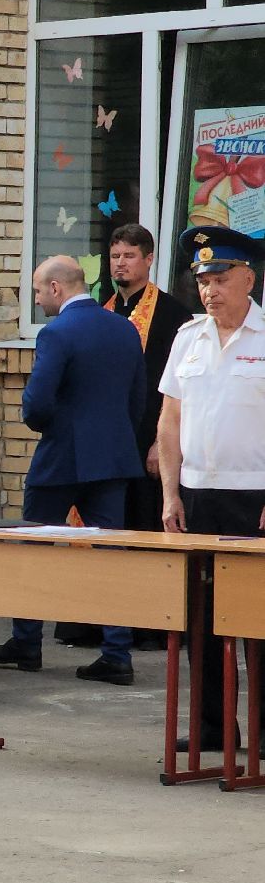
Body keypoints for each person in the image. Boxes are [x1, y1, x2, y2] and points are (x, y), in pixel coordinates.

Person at [0, 255, 145, 686]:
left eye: (37, 291)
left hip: (61, 458)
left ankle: (26, 643)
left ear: (56, 289)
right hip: (112, 459)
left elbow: (37, 403)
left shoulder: (56, 333)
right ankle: (117, 653)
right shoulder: (124, 327)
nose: (36, 300)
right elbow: (137, 398)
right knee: (111, 556)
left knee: (33, 547)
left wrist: (45, 426)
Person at [57, 223, 193, 650]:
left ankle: (148, 625)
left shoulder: (175, 314)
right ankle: (94, 622)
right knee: (103, 530)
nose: (121, 263)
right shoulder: (102, 309)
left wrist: (161, 441)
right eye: (115, 256)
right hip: (107, 440)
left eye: (129, 255)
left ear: (149, 259)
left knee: (144, 529)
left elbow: (177, 387)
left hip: (148, 438)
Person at [159, 225, 265, 751]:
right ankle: (211, 726)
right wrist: (170, 495)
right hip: (198, 495)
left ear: (249, 277)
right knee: (201, 619)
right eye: (203, 279)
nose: (210, 289)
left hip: (255, 497)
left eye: (221, 277)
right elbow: (170, 420)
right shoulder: (188, 338)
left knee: (259, 621)